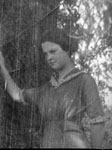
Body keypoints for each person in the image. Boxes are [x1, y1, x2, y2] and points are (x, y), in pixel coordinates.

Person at [0, 29, 105, 148]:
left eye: (53, 51)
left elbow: (97, 122)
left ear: (66, 50)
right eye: (46, 54)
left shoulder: (84, 80)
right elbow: (17, 95)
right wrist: (2, 68)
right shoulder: (46, 89)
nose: (49, 57)